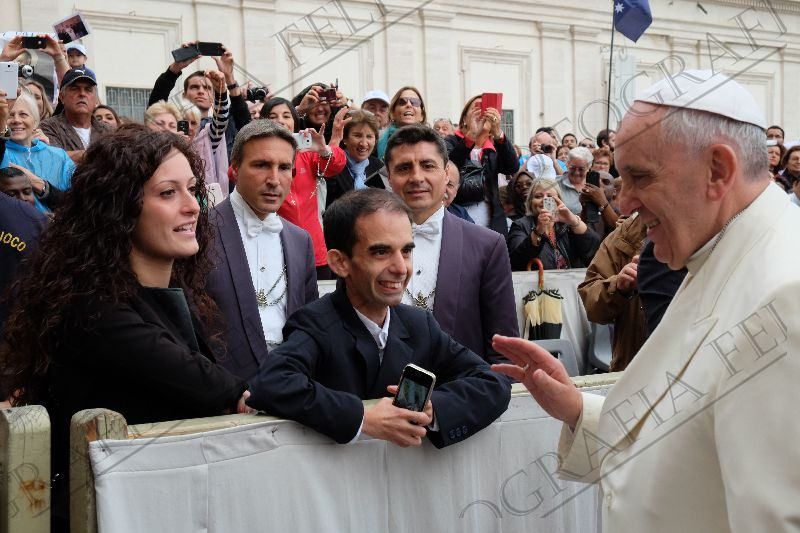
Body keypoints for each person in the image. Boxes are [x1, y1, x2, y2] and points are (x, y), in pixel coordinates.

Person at [492, 70, 800, 533]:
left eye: (639, 177)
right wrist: (577, 408)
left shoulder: (785, 299)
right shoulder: (717, 251)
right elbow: (688, 439)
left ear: (718, 169)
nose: (625, 200)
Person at [0, 125, 249, 527]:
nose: (192, 206)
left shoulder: (178, 296)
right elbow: (217, 388)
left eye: (191, 189)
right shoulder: (91, 309)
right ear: (118, 208)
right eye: (168, 193)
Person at [245, 188, 511, 447]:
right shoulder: (316, 323)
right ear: (340, 263)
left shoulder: (419, 324)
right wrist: (362, 418)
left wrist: (431, 411)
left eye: (406, 251)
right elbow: (271, 383)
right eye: (381, 252)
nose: (400, 268)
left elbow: (493, 383)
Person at [386, 124, 518, 363]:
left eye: (428, 166)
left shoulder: (487, 246)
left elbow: (504, 353)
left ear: (447, 173)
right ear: (389, 176)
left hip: (459, 395)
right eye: (404, 168)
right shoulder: (363, 243)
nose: (417, 177)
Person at [206, 120, 318, 380]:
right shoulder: (200, 230)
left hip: (291, 384)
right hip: (222, 394)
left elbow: (309, 323)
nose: (274, 180)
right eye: (261, 165)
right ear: (234, 168)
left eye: (284, 168)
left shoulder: (301, 240)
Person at [578, 213, 686, 370]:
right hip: (634, 371)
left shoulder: (712, 229)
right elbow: (592, 305)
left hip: (695, 370)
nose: (626, 204)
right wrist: (618, 286)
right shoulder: (628, 233)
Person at [261, 97, 347, 279]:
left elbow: (336, 164)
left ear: (294, 122)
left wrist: (324, 149)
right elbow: (234, 173)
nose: (280, 121)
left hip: (314, 250)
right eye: (273, 116)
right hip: (274, 246)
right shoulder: (256, 154)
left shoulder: (306, 153)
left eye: (286, 116)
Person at [148, 42, 249, 158]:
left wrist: (229, 78)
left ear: (214, 97)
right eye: (194, 87)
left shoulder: (224, 125)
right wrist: (175, 68)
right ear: (184, 95)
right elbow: (154, 110)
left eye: (207, 88)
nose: (201, 91)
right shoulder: (171, 124)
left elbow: (245, 126)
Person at [445, 95, 519, 235]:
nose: (482, 114)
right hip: (458, 213)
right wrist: (471, 136)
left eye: (486, 109)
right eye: (476, 109)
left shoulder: (494, 146)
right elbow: (448, 167)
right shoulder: (451, 141)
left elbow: (512, 167)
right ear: (465, 119)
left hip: (492, 219)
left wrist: (498, 134)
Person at [507, 177, 600, 271]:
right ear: (531, 202)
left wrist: (574, 221)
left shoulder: (566, 224)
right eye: (538, 196)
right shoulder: (521, 225)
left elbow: (593, 253)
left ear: (559, 200)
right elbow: (515, 261)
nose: (545, 200)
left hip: (571, 283)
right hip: (539, 283)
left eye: (550, 196)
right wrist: (538, 231)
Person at [4, 93, 75, 213]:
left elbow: (76, 199)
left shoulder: (59, 156)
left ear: (35, 121)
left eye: (23, 114)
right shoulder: (2, 154)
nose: (16, 120)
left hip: (59, 228)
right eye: (10, 115)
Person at [40, 68, 108, 163]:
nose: (82, 94)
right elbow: (51, 158)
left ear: (96, 99)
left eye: (88, 89)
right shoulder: (48, 128)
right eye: (75, 89)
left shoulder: (108, 131)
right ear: (62, 97)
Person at [326, 109, 385, 207]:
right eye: (357, 136)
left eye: (369, 137)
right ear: (345, 138)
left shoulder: (378, 166)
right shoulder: (333, 164)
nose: (363, 143)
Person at [377, 86, 427, 160]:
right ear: (392, 113)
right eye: (402, 102)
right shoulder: (376, 141)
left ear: (422, 115)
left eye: (415, 102)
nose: (409, 105)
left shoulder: (433, 143)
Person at [557, 146, 593, 215]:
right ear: (567, 164)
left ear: (589, 167)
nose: (576, 173)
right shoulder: (556, 183)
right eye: (573, 168)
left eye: (581, 169)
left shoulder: (593, 185)